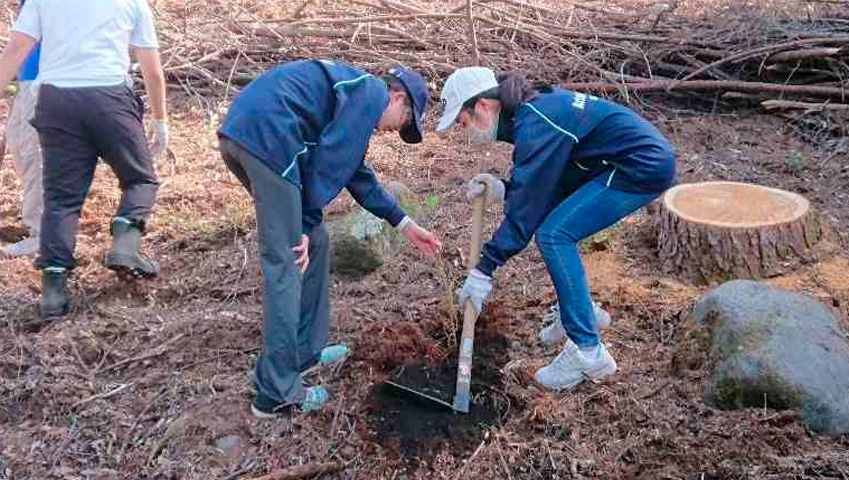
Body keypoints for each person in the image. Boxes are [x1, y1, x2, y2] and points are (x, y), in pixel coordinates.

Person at [218, 60, 441, 418]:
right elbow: (329, 163)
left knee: (317, 240)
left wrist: (406, 225)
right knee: (289, 259)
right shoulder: (370, 93)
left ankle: (305, 352)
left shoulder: (354, 93)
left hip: (250, 135)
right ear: (398, 97)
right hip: (267, 140)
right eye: (404, 121)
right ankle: (277, 393)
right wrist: (302, 224)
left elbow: (355, 174)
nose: (393, 131)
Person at [439, 67, 676, 391]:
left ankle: (588, 352)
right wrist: (504, 189)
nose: (465, 132)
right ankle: (579, 311)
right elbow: (542, 183)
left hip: (637, 166)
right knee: (558, 230)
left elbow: (526, 213)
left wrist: (483, 270)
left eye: (462, 123)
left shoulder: (536, 122)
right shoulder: (532, 112)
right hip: (606, 164)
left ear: (482, 106)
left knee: (554, 235)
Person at [0, 0, 169, 318]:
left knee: (61, 199)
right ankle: (125, 240)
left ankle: (53, 290)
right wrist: (161, 122)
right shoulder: (132, 2)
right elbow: (152, 69)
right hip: (109, 98)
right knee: (140, 178)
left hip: (56, 100)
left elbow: (15, 52)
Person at [1, 0, 42, 258]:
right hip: (27, 79)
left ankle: (42, 233)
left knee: (34, 152)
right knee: (18, 144)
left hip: (45, 78)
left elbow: (18, 47)